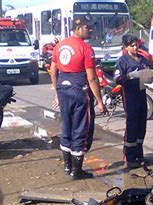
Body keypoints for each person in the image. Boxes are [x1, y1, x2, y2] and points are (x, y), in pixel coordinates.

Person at [50, 15, 108, 180]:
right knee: (80, 130)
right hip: (79, 91)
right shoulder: (86, 49)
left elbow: (53, 71)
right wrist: (100, 101)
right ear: (78, 28)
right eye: (88, 27)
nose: (90, 30)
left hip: (63, 89)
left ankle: (68, 167)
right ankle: (77, 171)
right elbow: (92, 78)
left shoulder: (60, 46)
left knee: (66, 128)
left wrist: (57, 91)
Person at [114, 35, 153, 168]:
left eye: (136, 44)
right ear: (126, 47)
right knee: (132, 126)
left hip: (142, 94)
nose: (135, 47)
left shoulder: (142, 59)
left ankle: (139, 154)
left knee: (141, 126)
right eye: (131, 45)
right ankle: (130, 157)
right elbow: (117, 78)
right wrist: (129, 76)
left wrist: (150, 75)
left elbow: (150, 72)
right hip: (130, 95)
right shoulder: (123, 61)